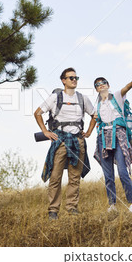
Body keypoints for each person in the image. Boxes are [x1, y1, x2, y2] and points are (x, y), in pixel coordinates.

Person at [34, 67, 96, 220]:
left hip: (77, 140)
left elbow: (95, 115)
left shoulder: (82, 98)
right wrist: (45, 132)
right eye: (71, 78)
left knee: (75, 177)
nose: (74, 80)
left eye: (76, 78)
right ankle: (53, 210)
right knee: (55, 176)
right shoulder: (56, 97)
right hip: (60, 140)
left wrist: (88, 132)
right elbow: (37, 113)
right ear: (63, 80)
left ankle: (72, 208)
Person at [93, 75, 132, 213]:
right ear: (96, 89)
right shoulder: (97, 104)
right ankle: (112, 205)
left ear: (108, 85)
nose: (101, 85)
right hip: (103, 136)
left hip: (118, 134)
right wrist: (87, 132)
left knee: (122, 171)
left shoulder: (116, 96)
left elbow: (126, 88)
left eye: (104, 82)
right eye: (98, 84)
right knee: (108, 175)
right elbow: (94, 119)